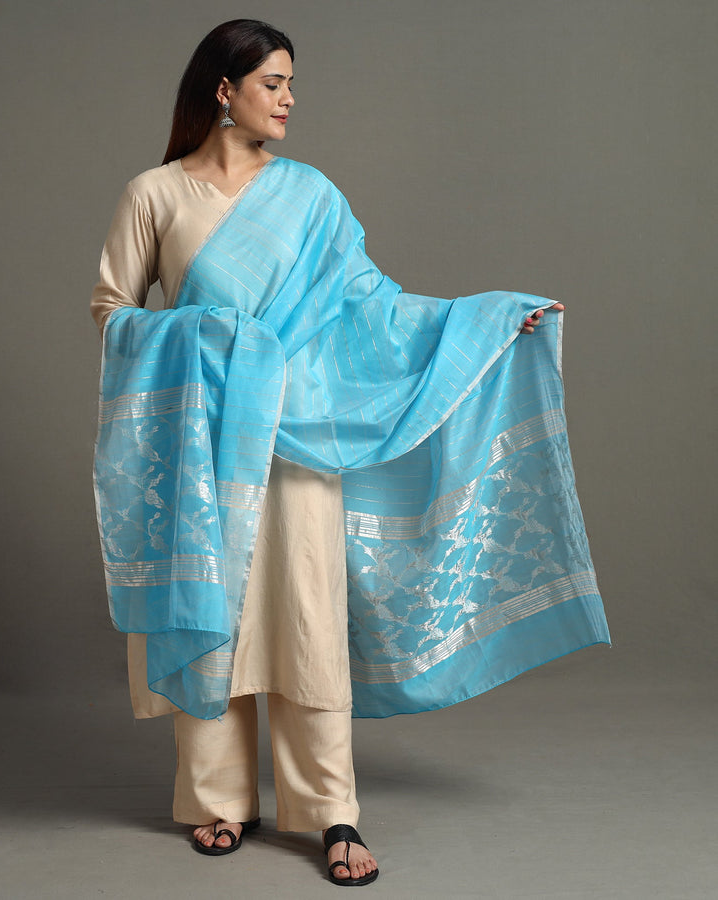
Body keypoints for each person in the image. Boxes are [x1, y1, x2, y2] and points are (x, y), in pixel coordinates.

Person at [90, 19, 609, 888]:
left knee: (305, 622)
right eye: (274, 83)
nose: (290, 99)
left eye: (292, 84)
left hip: (300, 440)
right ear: (224, 89)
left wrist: (483, 321)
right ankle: (220, 800)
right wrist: (201, 334)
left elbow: (374, 305)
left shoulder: (311, 196)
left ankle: (332, 811)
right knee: (211, 615)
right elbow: (112, 312)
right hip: (204, 443)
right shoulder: (155, 195)